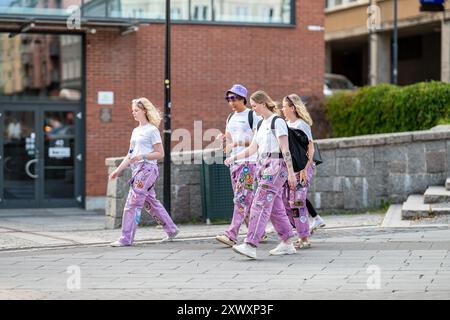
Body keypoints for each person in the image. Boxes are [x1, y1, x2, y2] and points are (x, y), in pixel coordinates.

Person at [225, 90, 297, 259]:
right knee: (275, 206)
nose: (253, 109)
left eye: (254, 105)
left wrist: (291, 173)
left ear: (263, 104)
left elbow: (285, 150)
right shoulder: (261, 124)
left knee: (260, 203)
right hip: (262, 165)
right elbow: (253, 148)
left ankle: (251, 244)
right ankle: (287, 242)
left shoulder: (277, 122)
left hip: (276, 166)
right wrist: (233, 157)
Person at [109, 97, 179, 247]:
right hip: (137, 170)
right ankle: (171, 230)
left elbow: (160, 153)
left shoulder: (152, 130)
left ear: (145, 111)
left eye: (136, 110)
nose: (133, 113)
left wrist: (143, 156)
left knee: (133, 202)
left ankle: (126, 238)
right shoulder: (136, 131)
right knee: (150, 203)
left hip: (147, 170)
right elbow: (130, 154)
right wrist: (118, 170)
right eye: (132, 110)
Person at [215, 84, 262, 247]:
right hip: (235, 163)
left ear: (243, 99)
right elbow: (229, 141)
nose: (231, 102)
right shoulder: (230, 118)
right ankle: (256, 232)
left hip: (250, 162)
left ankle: (232, 234)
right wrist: (224, 140)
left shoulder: (252, 115)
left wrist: (237, 143)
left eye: (234, 98)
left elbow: (258, 140)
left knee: (241, 198)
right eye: (228, 99)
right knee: (244, 199)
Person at [280, 94, 324, 248]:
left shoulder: (301, 124)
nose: (282, 109)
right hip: (290, 169)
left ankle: (303, 237)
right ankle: (300, 232)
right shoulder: (284, 124)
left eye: (284, 106)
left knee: (297, 201)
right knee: (287, 202)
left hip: (303, 168)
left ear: (292, 108)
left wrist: (305, 169)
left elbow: (310, 147)